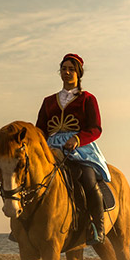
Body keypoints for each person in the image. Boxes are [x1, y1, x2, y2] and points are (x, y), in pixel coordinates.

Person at [36, 53, 111, 244]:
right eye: (64, 69)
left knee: (88, 179)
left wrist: (77, 138)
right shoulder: (48, 101)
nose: (67, 72)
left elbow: (95, 128)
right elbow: (40, 129)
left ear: (78, 73)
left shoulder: (88, 99)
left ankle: (98, 227)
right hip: (51, 147)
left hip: (80, 147)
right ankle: (24, 224)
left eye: (71, 69)